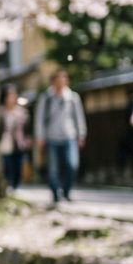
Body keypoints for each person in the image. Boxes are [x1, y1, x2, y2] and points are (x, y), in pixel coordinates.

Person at [34, 69, 87, 205]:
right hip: (51, 137)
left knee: (72, 165)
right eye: (58, 79)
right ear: (53, 82)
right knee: (53, 169)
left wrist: (81, 134)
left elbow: (79, 117)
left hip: (70, 136)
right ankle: (55, 193)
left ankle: (66, 191)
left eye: (63, 79)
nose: (61, 82)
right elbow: (39, 118)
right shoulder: (46, 98)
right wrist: (39, 136)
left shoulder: (73, 97)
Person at [0, 85, 30, 191]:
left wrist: (27, 140)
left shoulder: (22, 112)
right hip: (4, 143)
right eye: (9, 96)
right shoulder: (0, 111)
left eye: (13, 96)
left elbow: (27, 128)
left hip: (18, 143)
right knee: (7, 166)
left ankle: (15, 186)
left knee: (17, 166)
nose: (11, 98)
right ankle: (8, 185)